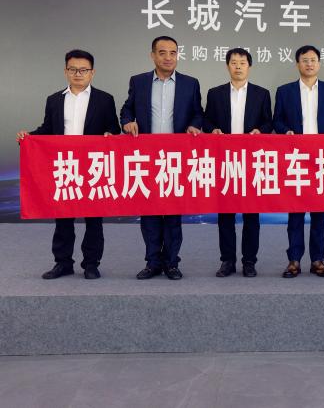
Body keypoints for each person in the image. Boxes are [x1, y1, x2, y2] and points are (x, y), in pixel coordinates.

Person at [16, 49, 120, 279]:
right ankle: (63, 263)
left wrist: (110, 135)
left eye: (83, 70)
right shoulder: (54, 100)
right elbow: (47, 130)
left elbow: (114, 128)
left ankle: (91, 264)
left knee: (94, 219)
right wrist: (29, 136)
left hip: (92, 167)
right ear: (65, 71)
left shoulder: (104, 99)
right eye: (73, 69)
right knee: (63, 218)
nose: (78, 74)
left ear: (92, 73)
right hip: (66, 166)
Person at [120, 36, 203, 280]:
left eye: (173, 53)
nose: (168, 57)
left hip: (176, 158)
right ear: (153, 55)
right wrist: (127, 122)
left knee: (173, 213)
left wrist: (194, 125)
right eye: (162, 52)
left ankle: (172, 263)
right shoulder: (139, 81)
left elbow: (198, 113)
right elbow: (127, 109)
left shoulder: (190, 83)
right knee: (150, 213)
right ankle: (152, 262)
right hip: (147, 157)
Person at [272, 45, 324, 278]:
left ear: (319, 63)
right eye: (305, 60)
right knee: (295, 211)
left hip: (321, 159)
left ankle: (317, 260)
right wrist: (285, 131)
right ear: (298, 64)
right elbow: (277, 120)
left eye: (313, 60)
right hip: (296, 158)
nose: (309, 64)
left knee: (319, 213)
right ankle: (294, 260)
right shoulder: (285, 91)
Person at [203, 47, 272, 278]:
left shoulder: (261, 94)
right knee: (226, 215)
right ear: (227, 66)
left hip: (252, 162)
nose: (238, 66)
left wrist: (260, 130)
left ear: (249, 66)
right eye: (234, 62)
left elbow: (268, 122)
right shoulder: (215, 93)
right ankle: (227, 261)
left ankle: (249, 261)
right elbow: (207, 121)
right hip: (225, 161)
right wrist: (213, 129)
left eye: (242, 63)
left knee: (252, 215)